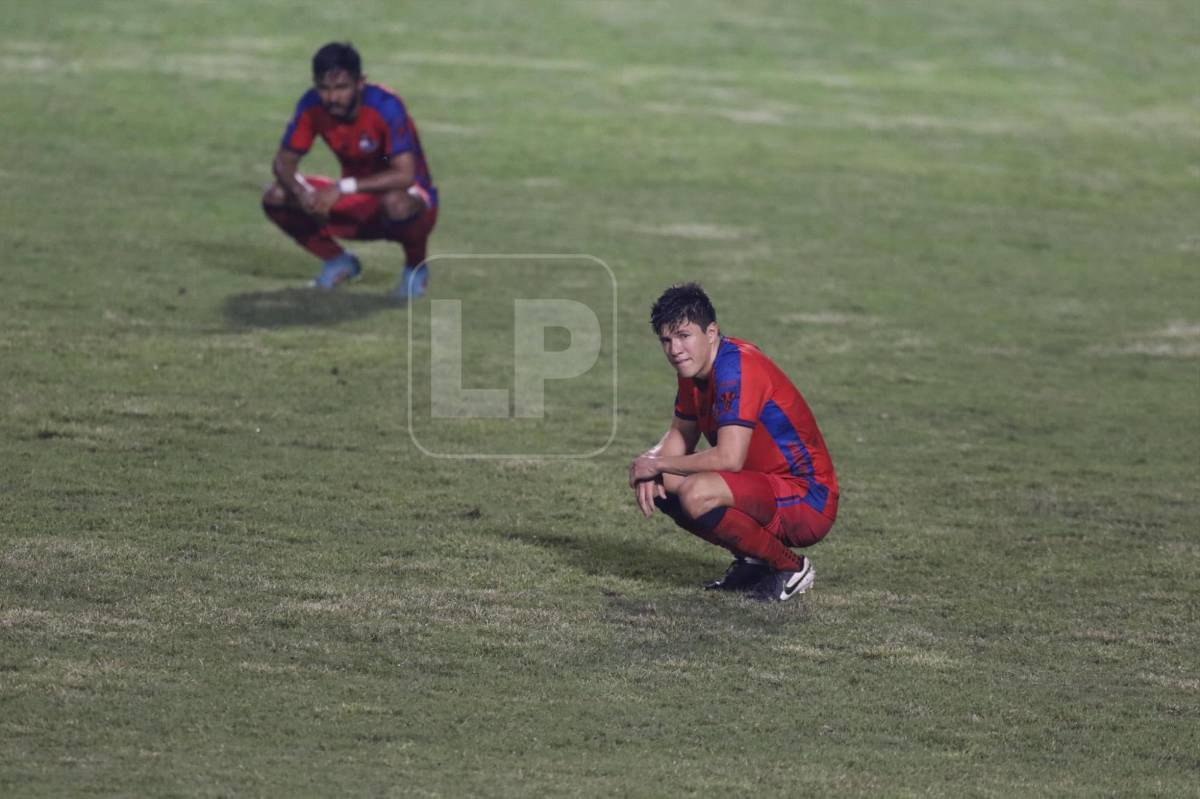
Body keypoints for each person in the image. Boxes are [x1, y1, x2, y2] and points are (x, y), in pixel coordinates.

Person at [629, 283, 839, 602]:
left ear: (711, 332)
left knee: (695, 491)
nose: (674, 349)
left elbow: (729, 458)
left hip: (806, 499)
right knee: (662, 483)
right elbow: (680, 435)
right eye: (666, 340)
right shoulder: (693, 372)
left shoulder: (737, 367)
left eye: (684, 336)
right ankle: (753, 561)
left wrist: (657, 463)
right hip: (761, 488)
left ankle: (791, 568)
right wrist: (651, 466)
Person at [262, 42, 438, 299]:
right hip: (356, 196)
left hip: (410, 197)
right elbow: (283, 163)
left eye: (341, 88)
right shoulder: (312, 106)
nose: (332, 97)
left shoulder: (385, 106)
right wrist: (303, 193)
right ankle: (339, 262)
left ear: (360, 83)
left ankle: (415, 269)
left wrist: (341, 188)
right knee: (276, 196)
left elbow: (404, 174)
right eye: (324, 88)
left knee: (396, 202)